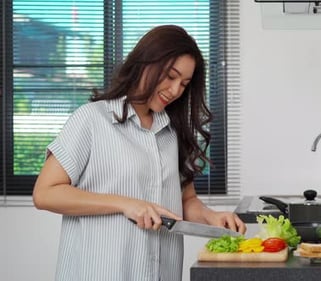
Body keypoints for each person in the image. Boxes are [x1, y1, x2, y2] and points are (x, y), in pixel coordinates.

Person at [32, 25, 246, 281]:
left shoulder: (172, 132)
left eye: (184, 83)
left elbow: (185, 201)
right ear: (145, 63)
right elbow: (45, 193)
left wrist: (211, 216)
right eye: (170, 76)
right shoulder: (92, 120)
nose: (176, 90)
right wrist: (126, 204)